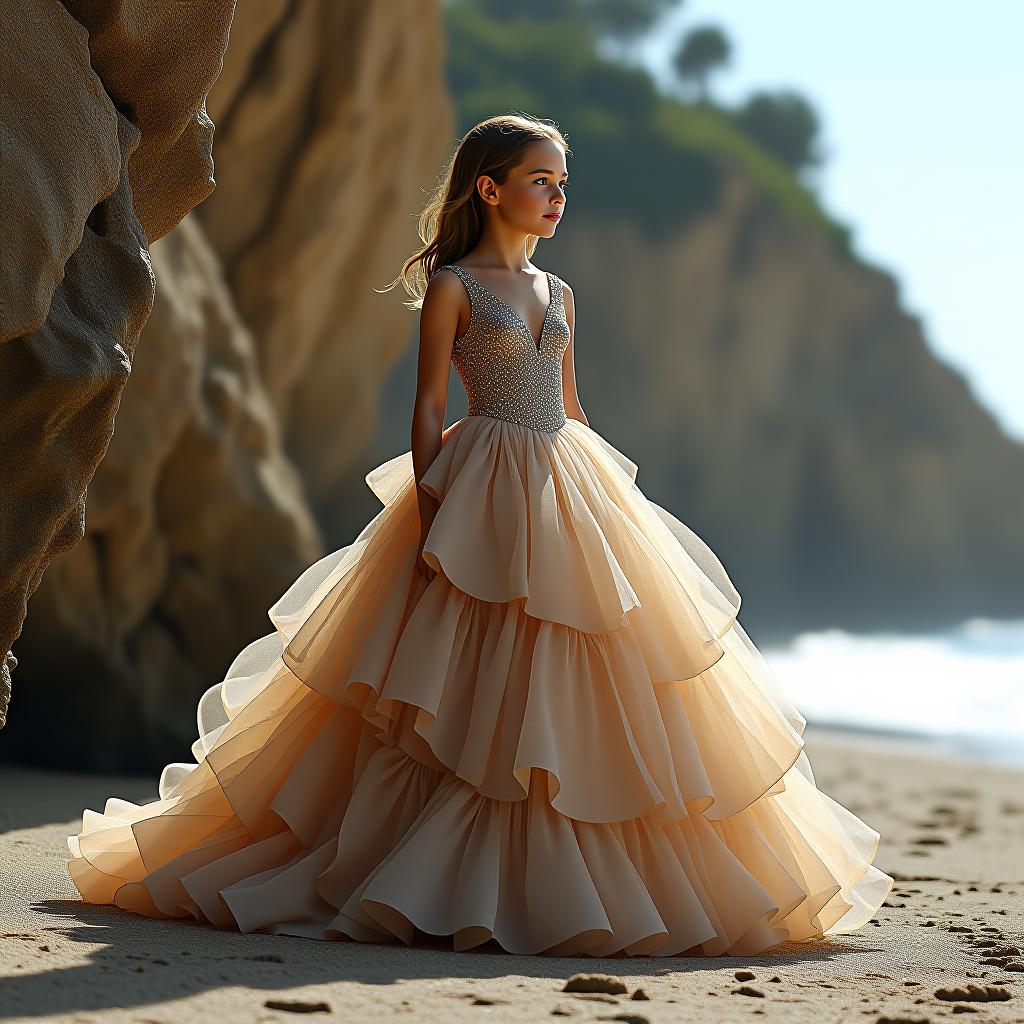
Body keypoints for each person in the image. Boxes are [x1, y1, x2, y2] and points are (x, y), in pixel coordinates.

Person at [67, 113, 893, 957]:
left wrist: (614, 505)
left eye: (563, 183)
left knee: (583, 678)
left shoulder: (561, 292)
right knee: (455, 687)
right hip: (479, 480)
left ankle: (569, 874)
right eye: (542, 180)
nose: (557, 197)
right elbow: (428, 409)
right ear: (490, 187)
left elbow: (571, 408)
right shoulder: (457, 284)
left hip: (568, 483)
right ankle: (428, 870)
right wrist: (432, 511)